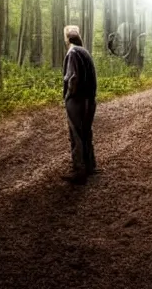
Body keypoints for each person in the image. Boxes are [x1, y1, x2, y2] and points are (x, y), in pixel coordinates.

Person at [62, 25, 98, 184]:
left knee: (76, 134)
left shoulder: (72, 53)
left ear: (67, 38)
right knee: (86, 132)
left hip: (77, 100)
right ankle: (90, 165)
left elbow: (73, 78)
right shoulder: (84, 51)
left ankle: (79, 171)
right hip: (90, 100)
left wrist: (68, 95)